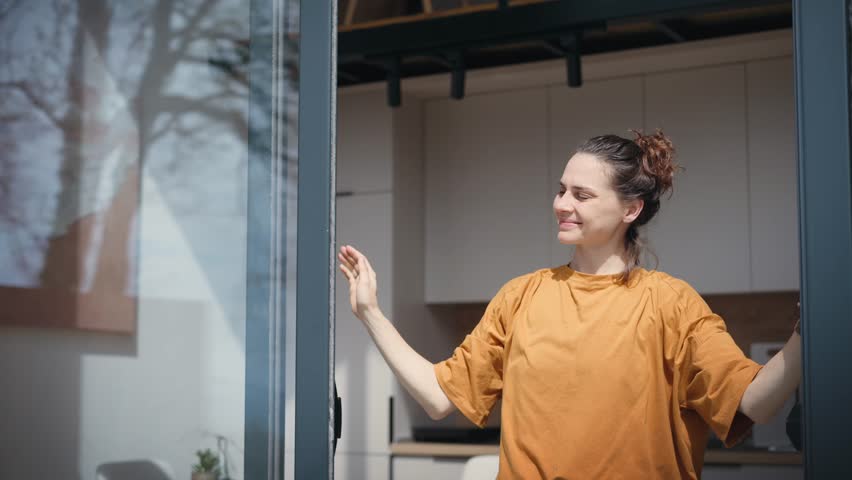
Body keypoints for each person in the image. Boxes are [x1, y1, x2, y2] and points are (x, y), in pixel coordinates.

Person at [337, 130, 802, 479]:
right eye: (561, 190)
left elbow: (754, 402)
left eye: (582, 195)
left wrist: (807, 334)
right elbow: (440, 397)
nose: (562, 203)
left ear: (630, 209)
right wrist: (371, 314)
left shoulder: (670, 304)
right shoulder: (521, 296)